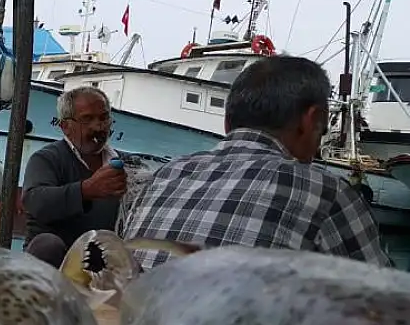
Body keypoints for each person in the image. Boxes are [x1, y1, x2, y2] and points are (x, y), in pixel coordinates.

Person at [121, 55, 393, 269]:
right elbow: (386, 307)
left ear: (227, 122)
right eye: (322, 131)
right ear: (311, 120)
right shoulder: (327, 193)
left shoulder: (164, 175)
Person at [21, 86, 127, 266]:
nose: (98, 126)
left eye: (104, 118)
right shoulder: (46, 159)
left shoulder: (123, 163)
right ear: (65, 127)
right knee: (47, 245)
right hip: (55, 267)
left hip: (102, 265)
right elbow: (34, 201)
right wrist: (86, 190)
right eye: (87, 119)